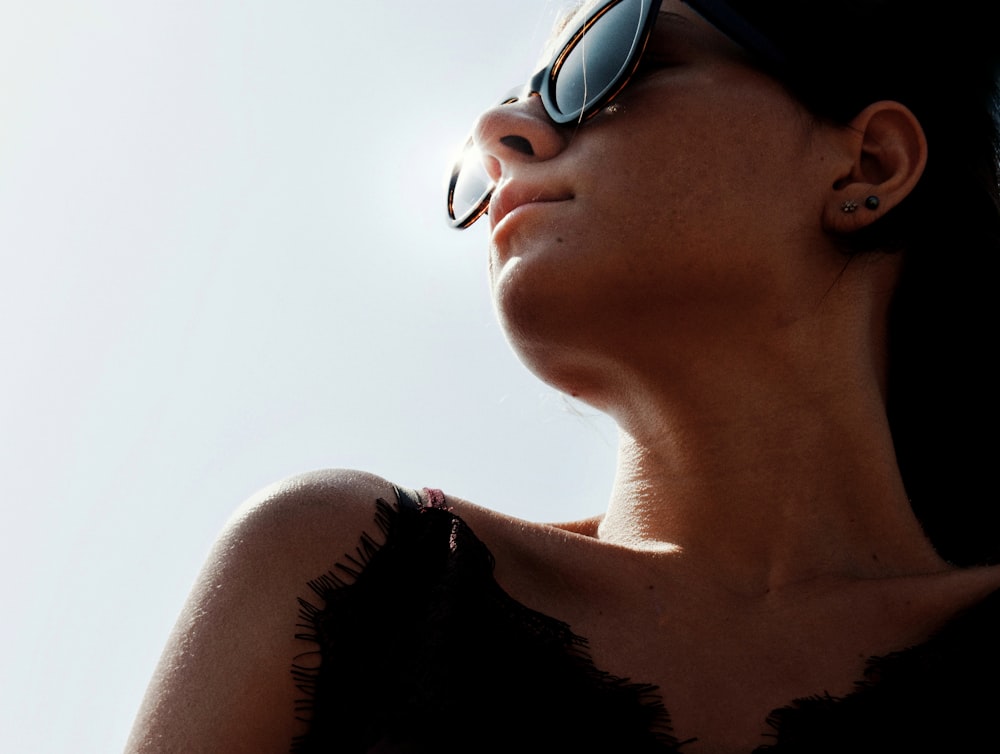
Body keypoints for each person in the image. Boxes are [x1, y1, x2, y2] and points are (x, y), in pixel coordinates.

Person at [125, 0, 1000, 751]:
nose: (501, 132)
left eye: (611, 55)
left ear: (869, 164)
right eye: (517, 101)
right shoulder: (349, 577)